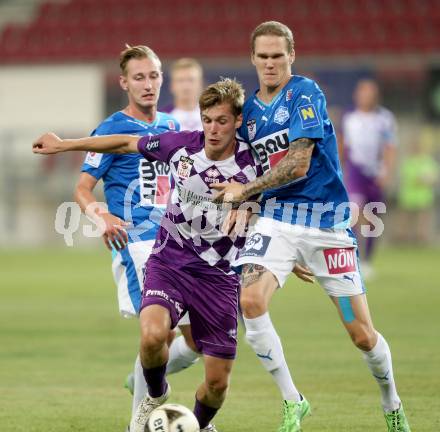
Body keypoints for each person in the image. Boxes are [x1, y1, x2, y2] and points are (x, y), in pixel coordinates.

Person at [211, 21, 411, 432]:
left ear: (291, 56)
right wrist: (242, 201)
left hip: (325, 227)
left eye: (277, 56)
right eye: (262, 56)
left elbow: (298, 163)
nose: (270, 63)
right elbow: (248, 168)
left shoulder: (305, 93)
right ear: (252, 58)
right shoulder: (247, 115)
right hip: (278, 223)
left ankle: (391, 403)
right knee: (250, 302)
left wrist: (244, 191)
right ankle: (293, 401)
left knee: (361, 334)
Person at [33, 78, 261, 432]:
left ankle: (198, 425)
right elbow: (125, 143)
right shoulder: (181, 147)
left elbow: (280, 204)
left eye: (222, 120)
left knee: (217, 385)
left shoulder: (253, 166)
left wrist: (274, 245)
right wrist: (66, 144)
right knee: (153, 335)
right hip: (170, 261)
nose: (213, 129)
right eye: (207, 119)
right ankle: (154, 396)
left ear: (237, 121)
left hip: (219, 277)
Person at [73, 44, 199, 424]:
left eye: (154, 76)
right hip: (139, 243)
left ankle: (142, 382)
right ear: (124, 82)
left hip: (178, 240)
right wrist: (103, 217)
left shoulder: (171, 126)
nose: (148, 84)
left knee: (196, 342)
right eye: (140, 77)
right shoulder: (110, 129)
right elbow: (81, 189)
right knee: (156, 334)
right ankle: (141, 420)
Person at [341, 78, 398, 278]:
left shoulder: (385, 118)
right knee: (354, 213)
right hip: (355, 171)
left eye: (369, 93)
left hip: (375, 172)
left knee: (373, 217)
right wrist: (341, 169)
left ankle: (367, 260)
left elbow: (390, 147)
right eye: (362, 92)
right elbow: (343, 146)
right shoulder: (349, 117)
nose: (365, 96)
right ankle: (353, 260)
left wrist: (387, 172)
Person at [162, 57, 204, 131]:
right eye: (180, 81)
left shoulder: (213, 116)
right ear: (172, 85)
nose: (186, 86)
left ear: (200, 84)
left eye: (191, 80)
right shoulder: (161, 119)